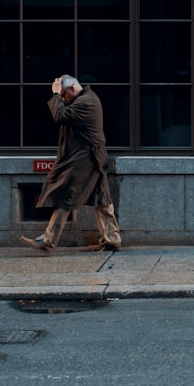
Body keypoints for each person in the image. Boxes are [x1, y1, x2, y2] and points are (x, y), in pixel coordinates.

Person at [19, 74, 122, 253]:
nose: (63, 99)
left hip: (86, 159)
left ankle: (48, 240)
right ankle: (112, 238)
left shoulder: (86, 102)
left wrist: (55, 94)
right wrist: (60, 95)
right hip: (92, 158)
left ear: (72, 89)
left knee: (68, 195)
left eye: (65, 95)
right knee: (102, 197)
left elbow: (60, 115)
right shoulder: (86, 98)